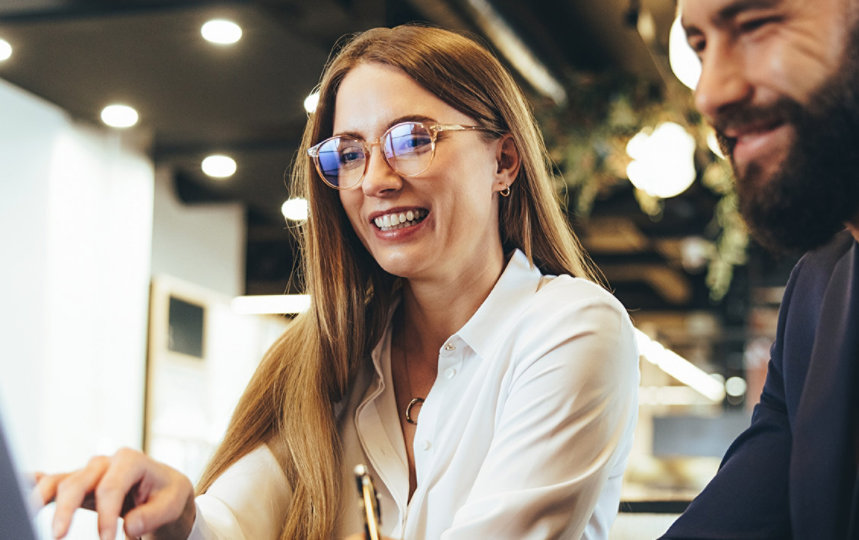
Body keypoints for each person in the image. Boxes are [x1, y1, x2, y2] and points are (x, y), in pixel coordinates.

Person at [36, 25, 639, 540]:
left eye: (412, 139)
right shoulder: (328, 357)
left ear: (503, 161)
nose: (375, 179)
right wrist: (179, 515)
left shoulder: (572, 328)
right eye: (348, 153)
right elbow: (232, 520)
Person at [663, 0, 859, 538]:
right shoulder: (819, 288)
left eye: (755, 25)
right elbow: (741, 513)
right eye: (700, 46)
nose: (709, 93)